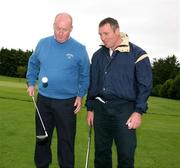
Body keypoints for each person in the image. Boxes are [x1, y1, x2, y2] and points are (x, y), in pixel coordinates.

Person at [86, 17, 152, 168]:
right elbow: (93, 83)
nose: (103, 38)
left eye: (106, 34)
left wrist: (138, 112)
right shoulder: (97, 56)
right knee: (101, 154)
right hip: (101, 109)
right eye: (100, 35)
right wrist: (90, 108)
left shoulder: (138, 54)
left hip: (125, 110)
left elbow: (145, 86)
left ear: (117, 31)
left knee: (126, 155)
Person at [26, 12, 90, 168]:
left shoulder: (79, 49)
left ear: (71, 29)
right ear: (53, 26)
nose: (61, 32)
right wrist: (31, 83)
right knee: (42, 138)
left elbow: (85, 75)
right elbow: (33, 64)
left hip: (67, 103)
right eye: (58, 28)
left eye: (65, 29)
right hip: (44, 100)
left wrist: (80, 96)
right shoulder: (42, 43)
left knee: (66, 141)